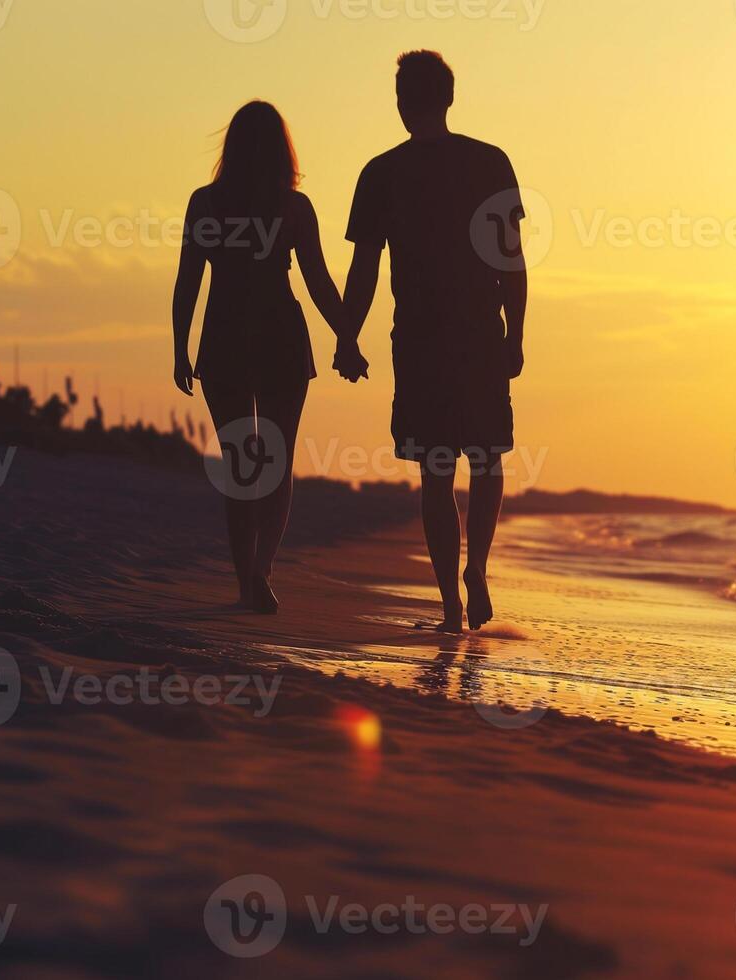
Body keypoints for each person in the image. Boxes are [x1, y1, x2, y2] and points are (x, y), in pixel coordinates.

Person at [337, 50, 528, 635]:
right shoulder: (490, 162)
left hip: (419, 341)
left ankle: (449, 605)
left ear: (401, 104)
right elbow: (511, 262)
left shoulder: (381, 173)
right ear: (449, 99)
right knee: (487, 459)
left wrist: (348, 337)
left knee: (436, 470)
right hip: (478, 334)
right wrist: (515, 335)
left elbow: (364, 269)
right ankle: (477, 568)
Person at [171, 101, 347, 614]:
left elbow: (189, 281)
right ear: (282, 150)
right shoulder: (293, 207)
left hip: (224, 338)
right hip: (278, 338)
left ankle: (247, 578)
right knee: (276, 461)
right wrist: (347, 336)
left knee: (240, 466)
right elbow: (316, 281)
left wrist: (180, 346)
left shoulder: (206, 204)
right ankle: (261, 568)